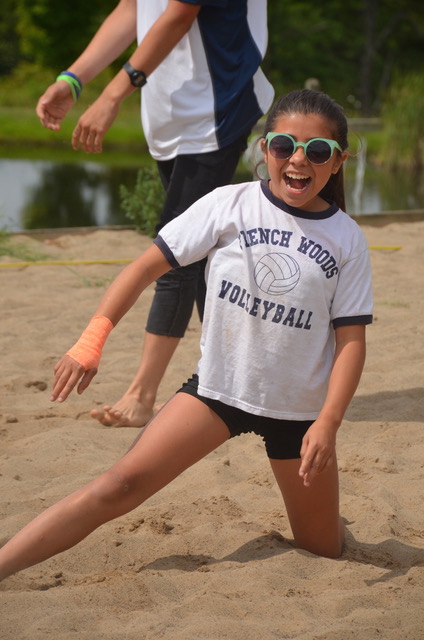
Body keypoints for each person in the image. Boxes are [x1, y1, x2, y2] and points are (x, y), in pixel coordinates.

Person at [0, 89, 373, 581]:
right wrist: (91, 340)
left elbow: (351, 342)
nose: (299, 160)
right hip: (218, 394)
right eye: (285, 145)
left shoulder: (347, 239)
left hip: (299, 412)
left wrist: (327, 422)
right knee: (118, 486)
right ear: (265, 150)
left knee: (324, 551)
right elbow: (141, 270)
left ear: (338, 161)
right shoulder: (228, 204)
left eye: (318, 151)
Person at [36, 0, 274, 428]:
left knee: (176, 254)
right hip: (170, 116)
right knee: (203, 257)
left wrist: (111, 96)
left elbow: (181, 13)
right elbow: (132, 9)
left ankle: (142, 396)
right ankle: (238, 381)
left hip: (218, 108)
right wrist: (73, 80)